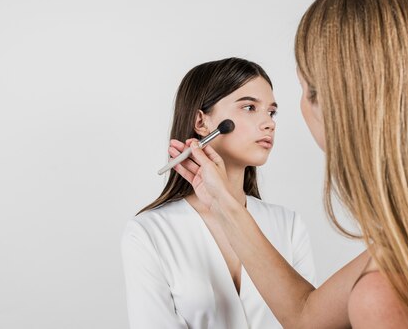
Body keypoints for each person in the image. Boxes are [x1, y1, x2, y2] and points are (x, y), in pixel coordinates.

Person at [170, 0, 408, 328]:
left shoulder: (382, 292)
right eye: (249, 107)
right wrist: (225, 203)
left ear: (340, 104)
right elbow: (306, 315)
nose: (270, 121)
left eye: (305, 88)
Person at [121, 57, 317, 328]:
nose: (269, 123)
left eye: (271, 112)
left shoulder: (289, 225)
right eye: (249, 107)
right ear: (201, 122)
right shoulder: (149, 232)